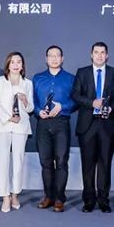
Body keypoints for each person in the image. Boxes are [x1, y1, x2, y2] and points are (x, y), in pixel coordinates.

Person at [71, 42, 114, 213]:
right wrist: (91, 102)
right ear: (91, 54)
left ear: (107, 55)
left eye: (103, 52)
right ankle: (88, 201)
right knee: (88, 165)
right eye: (96, 52)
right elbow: (75, 94)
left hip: (107, 124)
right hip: (87, 125)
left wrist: (111, 107)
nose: (100, 55)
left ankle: (103, 200)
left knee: (105, 164)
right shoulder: (82, 72)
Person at [31, 45, 76, 212]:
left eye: (58, 55)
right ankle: (48, 196)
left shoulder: (71, 79)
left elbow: (76, 101)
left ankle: (59, 198)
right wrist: (38, 111)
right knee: (45, 162)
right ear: (46, 59)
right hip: (43, 124)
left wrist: (62, 107)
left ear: (62, 59)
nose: (54, 58)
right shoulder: (37, 78)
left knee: (62, 161)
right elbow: (32, 101)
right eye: (51, 55)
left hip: (61, 123)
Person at [0, 52, 34, 212]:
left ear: (22, 66)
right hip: (2, 126)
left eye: (19, 62)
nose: (16, 65)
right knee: (3, 162)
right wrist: (8, 118)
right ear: (8, 65)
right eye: (13, 62)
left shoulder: (27, 83)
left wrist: (25, 101)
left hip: (21, 127)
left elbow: (31, 108)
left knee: (18, 161)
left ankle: (15, 193)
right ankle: (5, 197)